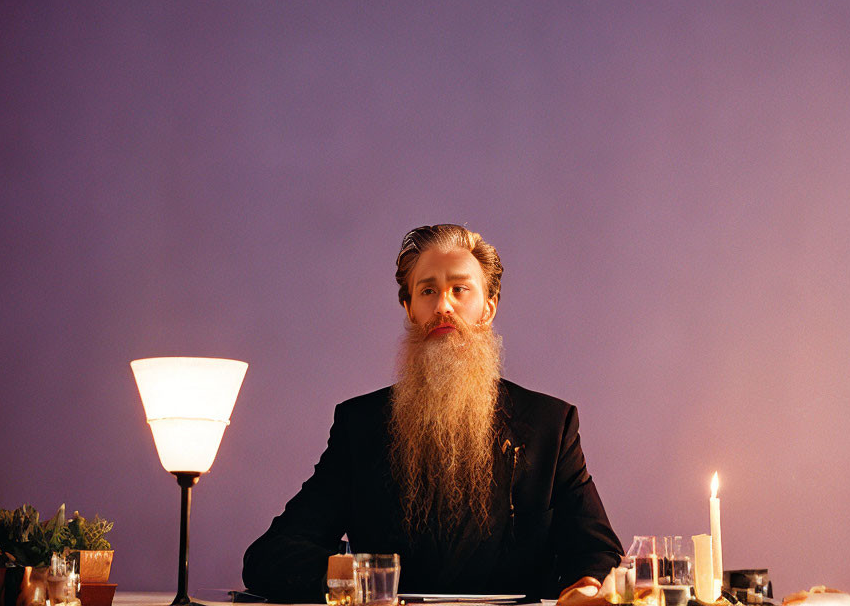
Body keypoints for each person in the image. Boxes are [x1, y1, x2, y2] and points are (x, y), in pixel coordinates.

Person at [243, 224, 622, 603]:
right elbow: (270, 556)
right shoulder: (360, 424)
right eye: (427, 291)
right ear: (409, 309)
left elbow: (598, 552)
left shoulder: (549, 425)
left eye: (459, 289)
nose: (443, 305)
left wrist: (587, 589)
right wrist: (361, 577)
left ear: (488, 307)